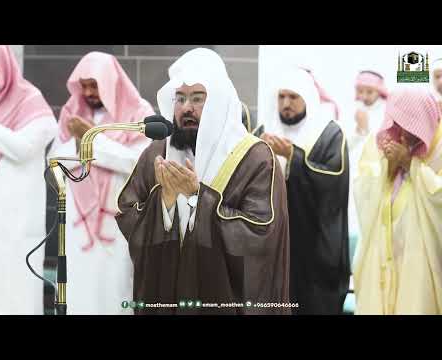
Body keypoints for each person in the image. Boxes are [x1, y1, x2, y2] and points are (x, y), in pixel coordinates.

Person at [115, 48, 291, 315]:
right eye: (180, 98)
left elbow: (261, 232)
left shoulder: (256, 157)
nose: (187, 108)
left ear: (218, 102)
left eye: (198, 99)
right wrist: (165, 203)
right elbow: (128, 211)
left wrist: (200, 197)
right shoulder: (158, 153)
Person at [47, 52, 154, 315]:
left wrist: (91, 140)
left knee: (115, 291)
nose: (88, 92)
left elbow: (139, 163)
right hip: (76, 225)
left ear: (110, 82)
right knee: (78, 292)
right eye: (83, 85)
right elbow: (54, 160)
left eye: (94, 85)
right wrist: (84, 142)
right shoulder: (73, 112)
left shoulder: (139, 112)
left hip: (118, 224)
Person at [0, 45, 57, 314]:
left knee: (11, 294)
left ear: (4, 66)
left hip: (12, 223)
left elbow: (23, 148)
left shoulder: (29, 101)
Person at [260, 67, 350, 314]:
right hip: (273, 246)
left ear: (307, 99)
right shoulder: (264, 132)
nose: (286, 104)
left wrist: (293, 157)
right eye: (281, 97)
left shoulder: (329, 134)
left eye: (293, 97)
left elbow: (335, 183)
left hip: (314, 250)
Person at [353, 88, 442, 315]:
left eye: (410, 123)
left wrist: (410, 164)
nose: (401, 130)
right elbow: (363, 185)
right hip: (381, 253)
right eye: (396, 121)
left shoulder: (438, 149)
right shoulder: (382, 143)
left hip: (420, 261)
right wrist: (388, 168)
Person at [346, 70, 389, 264]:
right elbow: (342, 146)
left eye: (369, 92)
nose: (363, 96)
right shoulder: (351, 111)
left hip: (376, 179)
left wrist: (366, 128)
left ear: (379, 92)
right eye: (360, 91)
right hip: (351, 178)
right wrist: (359, 129)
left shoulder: (387, 113)